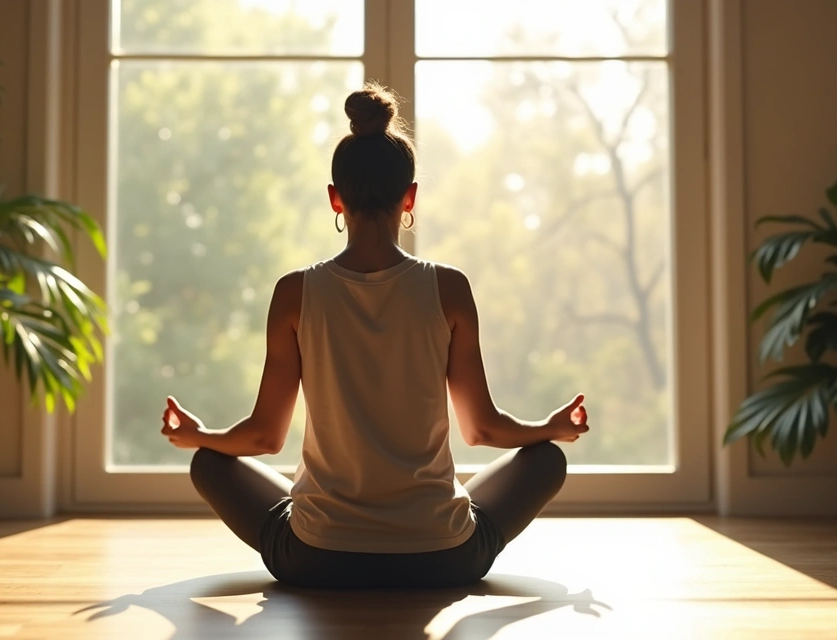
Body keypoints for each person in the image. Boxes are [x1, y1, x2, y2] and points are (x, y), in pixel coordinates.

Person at [160, 82, 590, 589]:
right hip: (442, 558)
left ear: (334, 199)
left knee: (210, 465)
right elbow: (483, 431)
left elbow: (264, 438)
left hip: (316, 557)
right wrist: (551, 426)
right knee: (546, 459)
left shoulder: (295, 293)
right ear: (410, 196)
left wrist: (197, 437)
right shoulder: (448, 288)